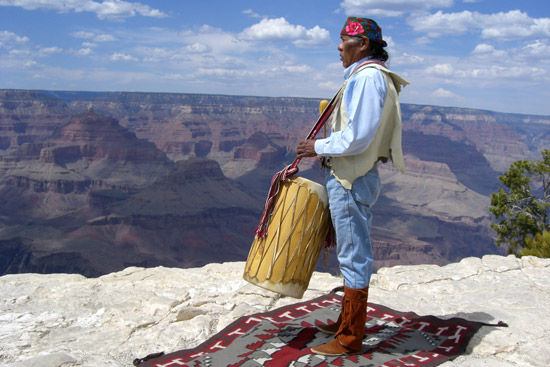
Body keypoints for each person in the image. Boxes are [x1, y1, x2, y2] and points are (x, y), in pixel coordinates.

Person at [296, 16, 408, 356]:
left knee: (353, 254)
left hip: (350, 180)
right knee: (351, 251)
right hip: (353, 175)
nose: (339, 46)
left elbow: (358, 137)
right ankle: (346, 322)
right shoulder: (371, 77)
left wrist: (318, 147)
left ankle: (349, 337)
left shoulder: (368, 78)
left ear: (363, 45)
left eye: (345, 40)